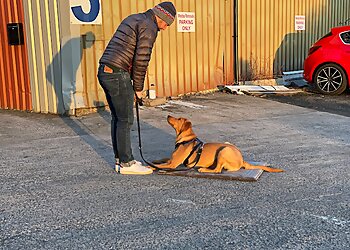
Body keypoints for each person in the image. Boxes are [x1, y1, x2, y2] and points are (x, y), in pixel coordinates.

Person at [97, 2, 176, 175]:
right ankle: (127, 163)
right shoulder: (149, 27)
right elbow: (141, 60)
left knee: (117, 118)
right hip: (118, 73)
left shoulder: (135, 18)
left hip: (105, 70)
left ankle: (120, 160)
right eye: (166, 24)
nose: (165, 28)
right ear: (161, 17)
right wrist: (138, 88)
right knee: (125, 119)